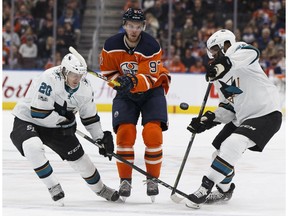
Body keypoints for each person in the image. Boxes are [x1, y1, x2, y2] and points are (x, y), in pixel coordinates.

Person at [185, 29, 282, 209]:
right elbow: (229, 107)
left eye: (215, 49)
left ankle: (204, 187)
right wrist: (208, 119)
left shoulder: (240, 51)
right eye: (211, 51)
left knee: (233, 144)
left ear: (225, 44)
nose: (213, 54)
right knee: (219, 153)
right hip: (243, 118)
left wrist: (221, 66)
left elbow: (252, 52)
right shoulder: (219, 76)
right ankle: (224, 191)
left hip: (266, 114)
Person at [10, 52, 120, 205]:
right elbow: (38, 114)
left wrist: (100, 138)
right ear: (64, 71)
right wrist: (66, 122)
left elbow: (90, 118)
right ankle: (52, 185)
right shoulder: (49, 78)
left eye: (80, 75)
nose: (77, 79)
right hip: (28, 119)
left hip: (58, 126)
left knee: (82, 162)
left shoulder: (85, 89)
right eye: (73, 74)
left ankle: (100, 189)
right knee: (32, 147)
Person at [99, 8, 171, 202]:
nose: (134, 30)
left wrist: (130, 82)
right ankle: (125, 179)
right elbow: (107, 72)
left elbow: (150, 77)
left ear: (143, 27)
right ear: (124, 25)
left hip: (152, 91)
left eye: (138, 26)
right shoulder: (110, 45)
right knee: (125, 133)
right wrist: (117, 81)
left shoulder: (151, 45)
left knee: (152, 133)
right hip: (127, 95)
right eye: (130, 26)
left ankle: (152, 178)